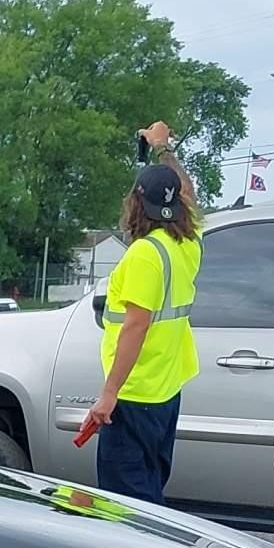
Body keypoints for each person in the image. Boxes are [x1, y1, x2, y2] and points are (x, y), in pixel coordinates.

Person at [76, 123, 202, 503]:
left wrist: (108, 395)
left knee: (127, 505)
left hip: (132, 397)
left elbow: (135, 325)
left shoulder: (145, 254)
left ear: (135, 203)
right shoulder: (188, 243)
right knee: (148, 491)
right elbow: (189, 195)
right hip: (164, 393)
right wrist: (164, 149)